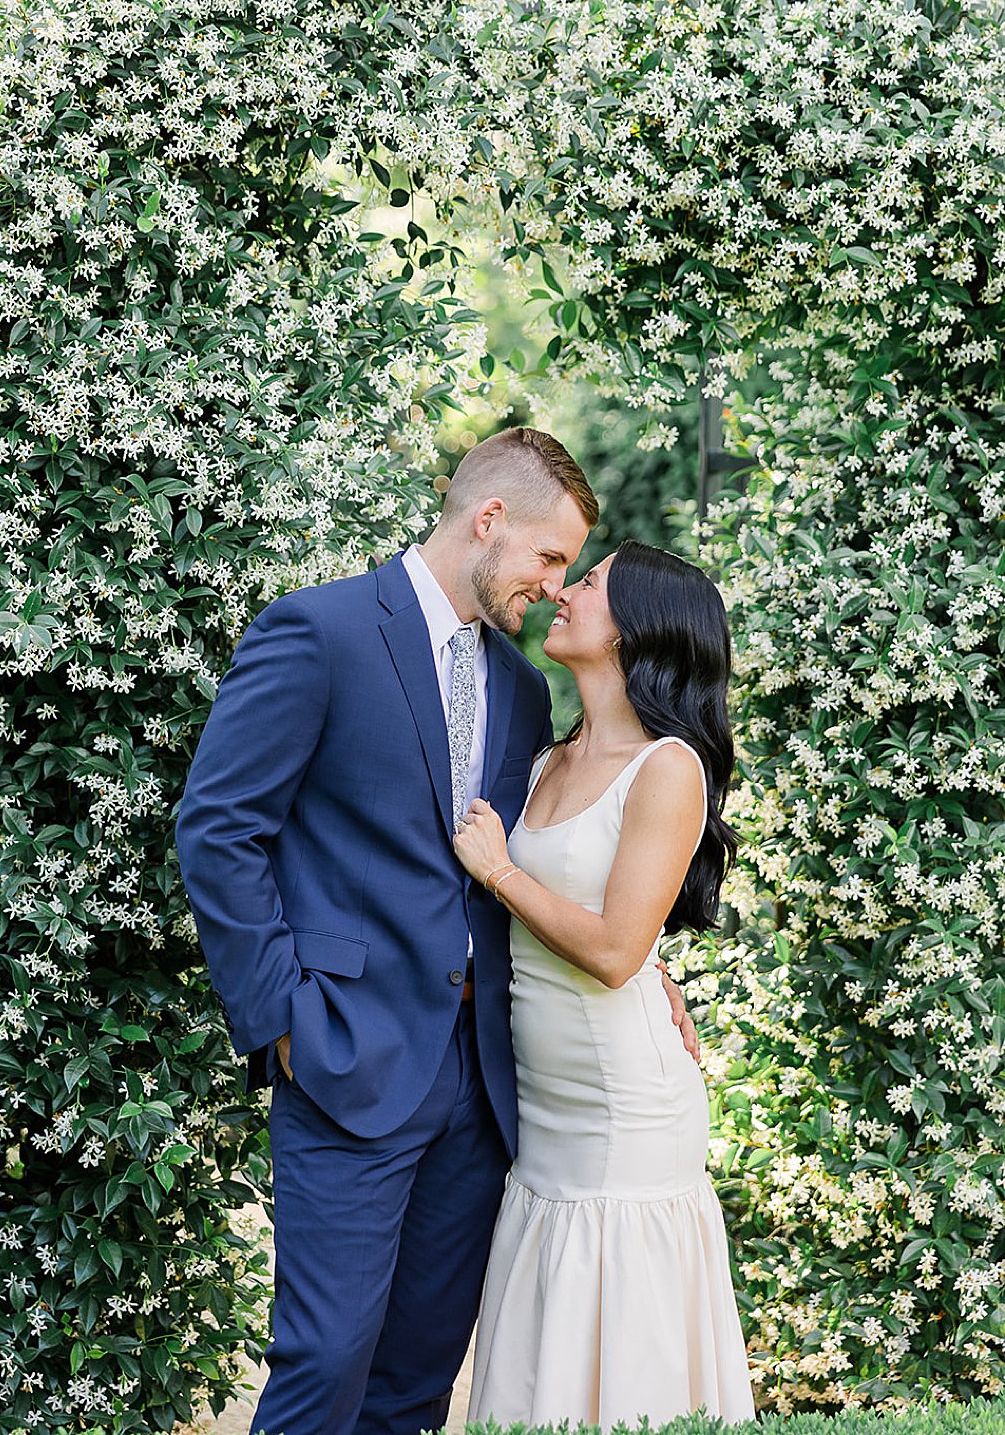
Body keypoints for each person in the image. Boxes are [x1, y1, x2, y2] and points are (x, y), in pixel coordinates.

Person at [176, 429, 700, 1435]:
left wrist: (645, 971)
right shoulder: (319, 630)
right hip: (344, 1053)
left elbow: (531, 862)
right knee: (325, 1358)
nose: (556, 586)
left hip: (483, 1083)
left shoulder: (521, 687)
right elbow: (219, 828)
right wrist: (280, 1016)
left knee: (419, 1375)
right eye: (550, 556)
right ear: (489, 520)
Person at [453, 541, 756, 1430]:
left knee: (619, 1328)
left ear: (635, 629)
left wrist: (499, 872)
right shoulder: (550, 757)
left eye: (588, 584)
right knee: (546, 1331)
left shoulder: (667, 767)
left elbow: (619, 950)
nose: (563, 591)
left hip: (624, 1110)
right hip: (545, 1107)